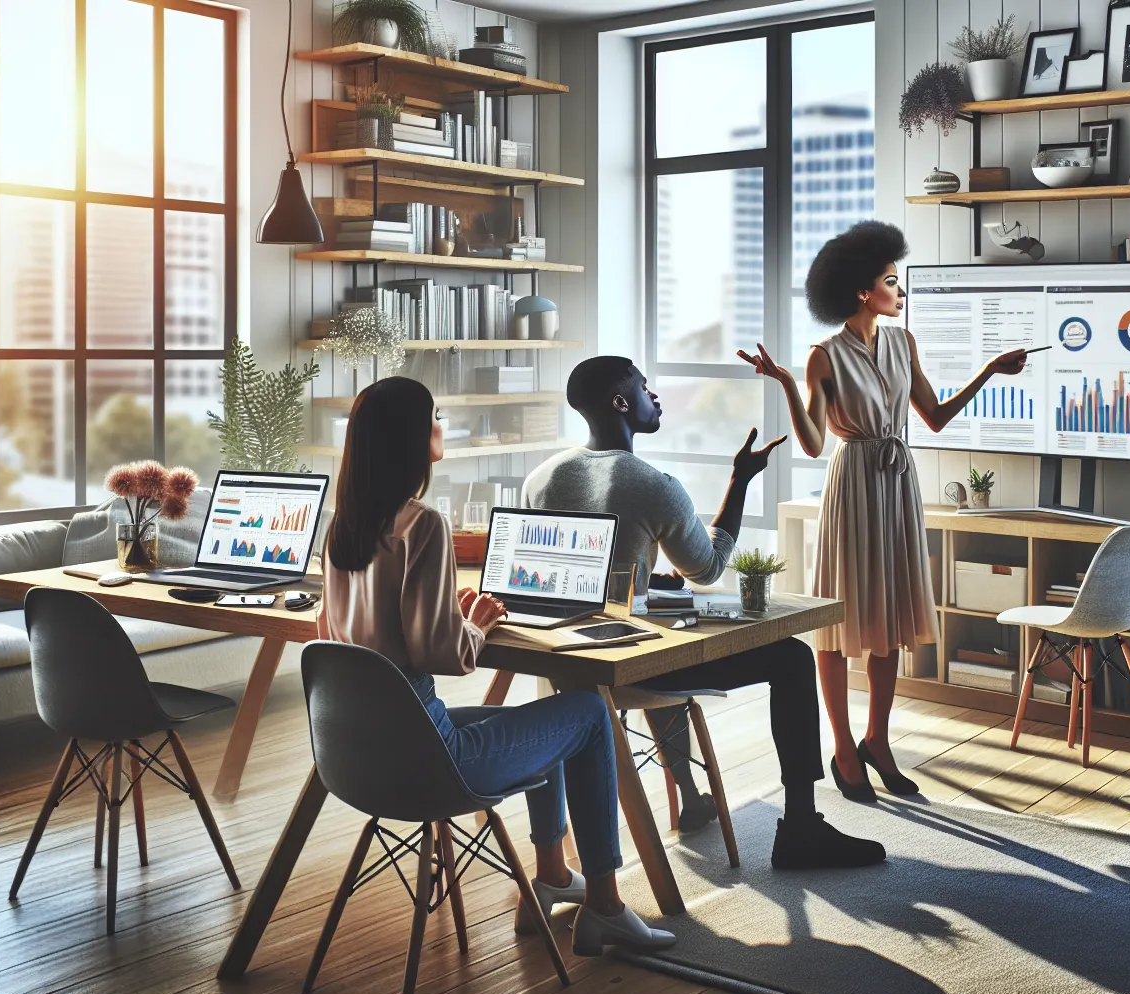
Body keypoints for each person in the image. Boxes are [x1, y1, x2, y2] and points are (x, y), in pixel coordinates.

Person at [316, 376, 675, 956]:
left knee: (545, 715)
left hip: (357, 757)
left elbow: (351, 641)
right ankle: (605, 907)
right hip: (430, 760)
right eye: (434, 414)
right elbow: (447, 657)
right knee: (584, 711)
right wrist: (476, 625)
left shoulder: (341, 531)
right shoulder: (422, 526)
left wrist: (449, 616)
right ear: (409, 437)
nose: (442, 424)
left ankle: (556, 878)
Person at [522, 356, 886, 870]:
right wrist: (741, 480)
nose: (657, 397)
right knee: (793, 659)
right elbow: (708, 568)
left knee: (664, 637)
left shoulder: (541, 478)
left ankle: (692, 796)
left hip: (570, 665)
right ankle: (801, 828)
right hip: (634, 662)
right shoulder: (653, 484)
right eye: (646, 389)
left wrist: (641, 580)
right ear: (622, 404)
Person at [738, 221, 1028, 801]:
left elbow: (936, 417)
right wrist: (788, 385)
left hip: (897, 485)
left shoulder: (903, 343)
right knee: (841, 622)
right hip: (853, 486)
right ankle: (843, 747)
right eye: (892, 282)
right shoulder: (824, 356)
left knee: (889, 622)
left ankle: (879, 741)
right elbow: (816, 444)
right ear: (860, 291)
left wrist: (990, 370)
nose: (902, 292)